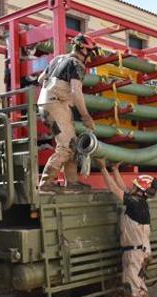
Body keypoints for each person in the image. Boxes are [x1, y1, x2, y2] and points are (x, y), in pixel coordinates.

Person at [95, 159, 157, 297]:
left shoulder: (135, 204)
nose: (132, 186)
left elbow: (115, 190)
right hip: (141, 251)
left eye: (136, 185)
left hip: (134, 253)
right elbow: (124, 190)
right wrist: (115, 169)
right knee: (139, 285)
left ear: (141, 190)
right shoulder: (138, 202)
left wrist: (103, 169)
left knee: (133, 288)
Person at [37, 34, 98, 192]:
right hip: (56, 105)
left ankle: (72, 182)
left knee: (72, 143)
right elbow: (76, 92)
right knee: (65, 147)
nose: (90, 56)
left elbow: (40, 79)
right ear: (83, 49)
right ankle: (45, 183)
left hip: (47, 105)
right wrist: (85, 116)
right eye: (90, 52)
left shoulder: (58, 59)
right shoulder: (76, 64)